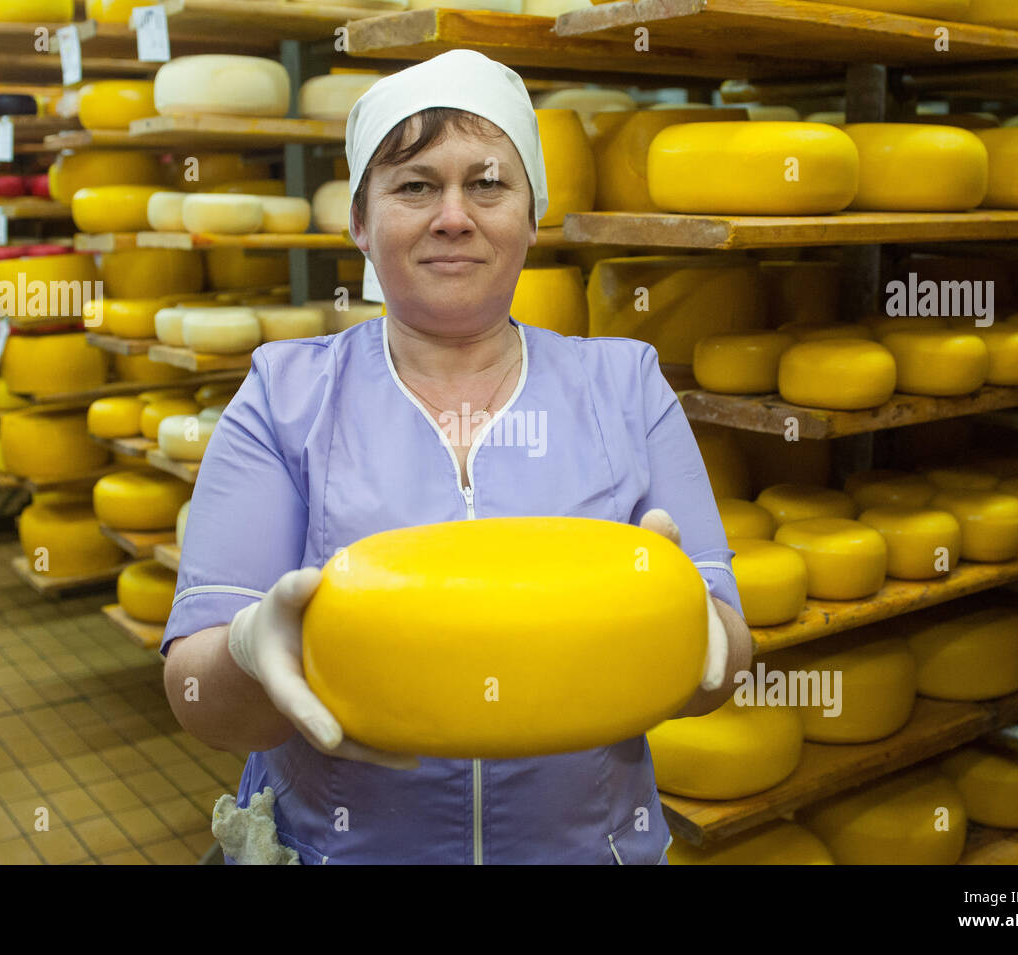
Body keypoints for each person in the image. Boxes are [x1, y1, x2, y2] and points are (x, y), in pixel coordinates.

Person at [161, 49, 753, 864]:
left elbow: (729, 659)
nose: (453, 215)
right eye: (413, 185)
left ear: (531, 215)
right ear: (360, 222)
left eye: (487, 183)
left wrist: (697, 638)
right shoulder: (284, 396)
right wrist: (247, 650)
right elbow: (195, 696)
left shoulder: (624, 384)